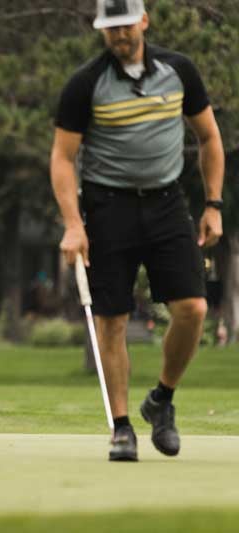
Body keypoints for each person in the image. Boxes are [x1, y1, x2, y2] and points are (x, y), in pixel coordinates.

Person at [50, 0, 224, 461]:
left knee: (193, 308)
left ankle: (161, 400)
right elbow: (63, 159)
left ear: (144, 21)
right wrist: (73, 225)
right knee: (113, 319)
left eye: (126, 26)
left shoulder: (179, 70)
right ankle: (122, 427)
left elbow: (208, 137)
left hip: (167, 203)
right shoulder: (87, 83)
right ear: (100, 30)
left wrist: (213, 205)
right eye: (111, 29)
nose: (120, 36)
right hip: (108, 208)